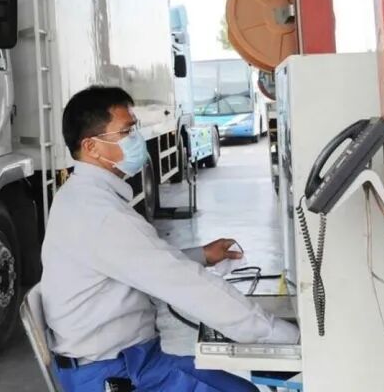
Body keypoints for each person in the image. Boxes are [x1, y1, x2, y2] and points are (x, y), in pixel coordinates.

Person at [41, 85, 299, 392]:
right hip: (115, 374)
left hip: (126, 361)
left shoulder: (81, 196)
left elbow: (140, 262)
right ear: (91, 147)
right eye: (126, 132)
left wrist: (201, 256)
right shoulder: (101, 215)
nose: (137, 139)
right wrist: (284, 336)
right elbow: (186, 285)